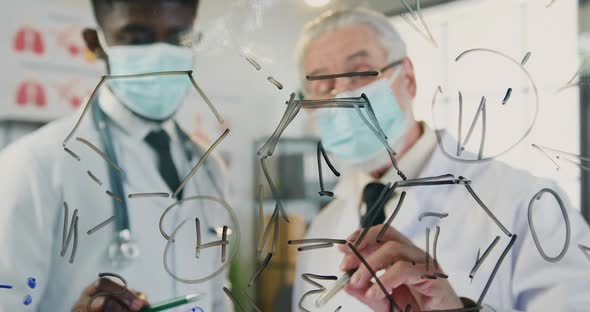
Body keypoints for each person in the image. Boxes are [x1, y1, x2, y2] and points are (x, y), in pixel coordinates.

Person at [293, 8, 590, 311]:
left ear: (407, 78)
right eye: (324, 86)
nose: (343, 95)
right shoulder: (322, 229)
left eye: (359, 73)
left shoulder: (528, 204)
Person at [0, 1, 232, 311]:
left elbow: (217, 297)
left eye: (179, 39)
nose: (160, 54)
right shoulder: (35, 165)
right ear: (95, 43)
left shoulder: (209, 169)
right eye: (137, 39)